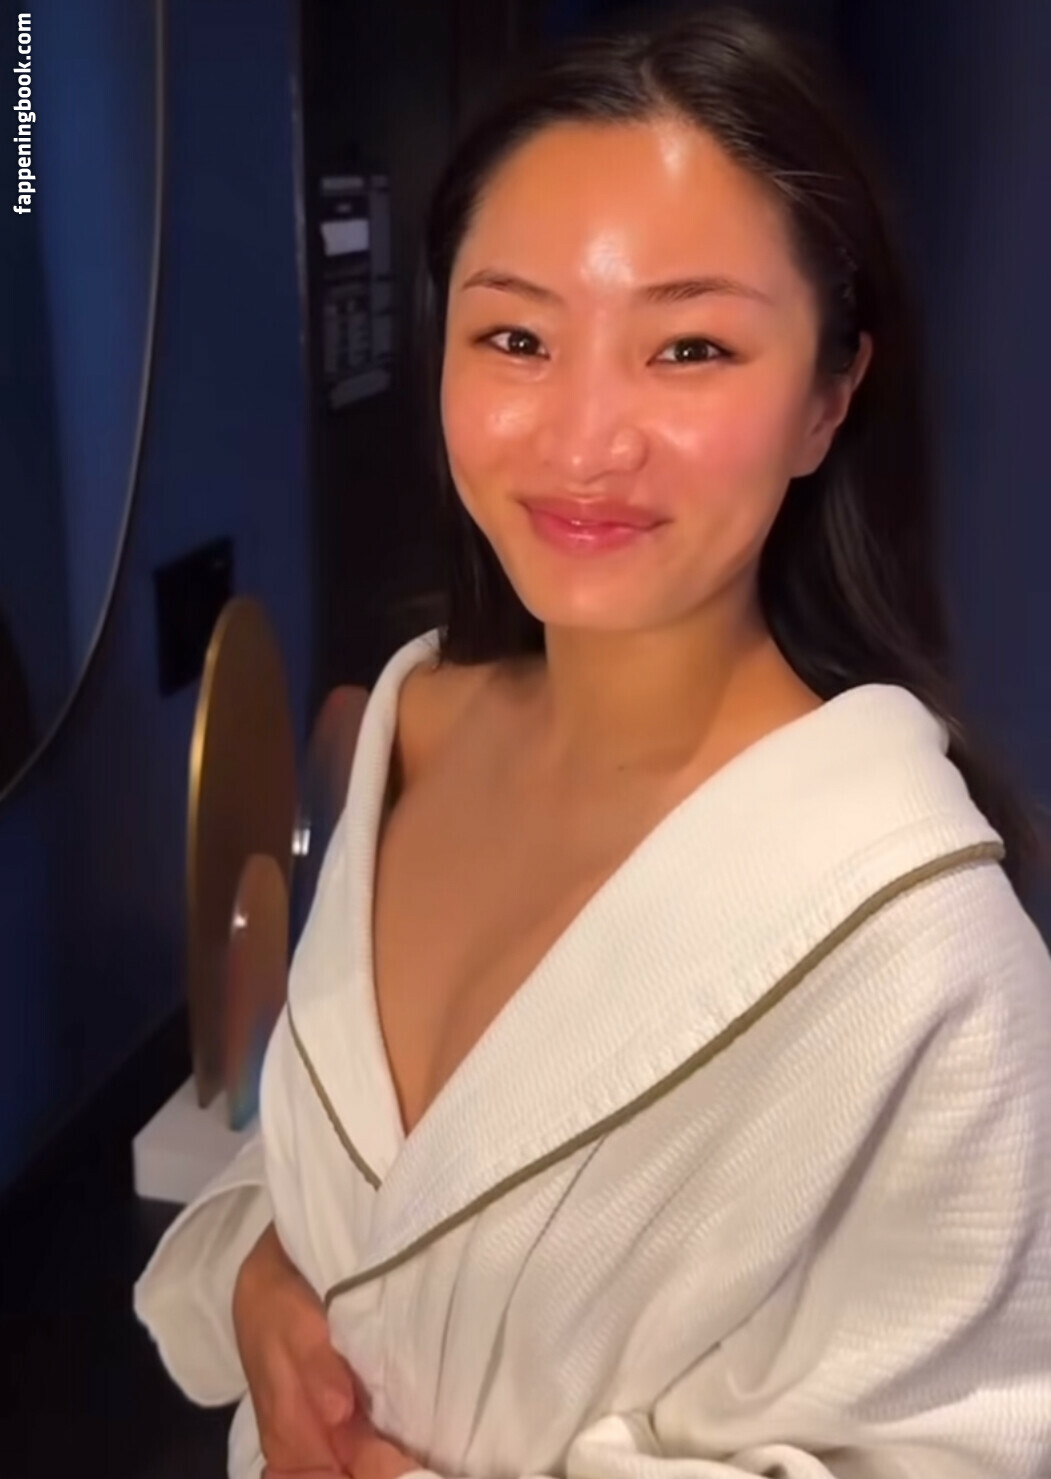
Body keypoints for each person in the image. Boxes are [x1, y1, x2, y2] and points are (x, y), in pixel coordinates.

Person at [135, 9, 1051, 1478]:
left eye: (690, 346)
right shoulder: (415, 723)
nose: (582, 440)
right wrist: (257, 1278)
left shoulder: (921, 948)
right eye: (516, 336)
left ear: (827, 398)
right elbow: (360, 1190)